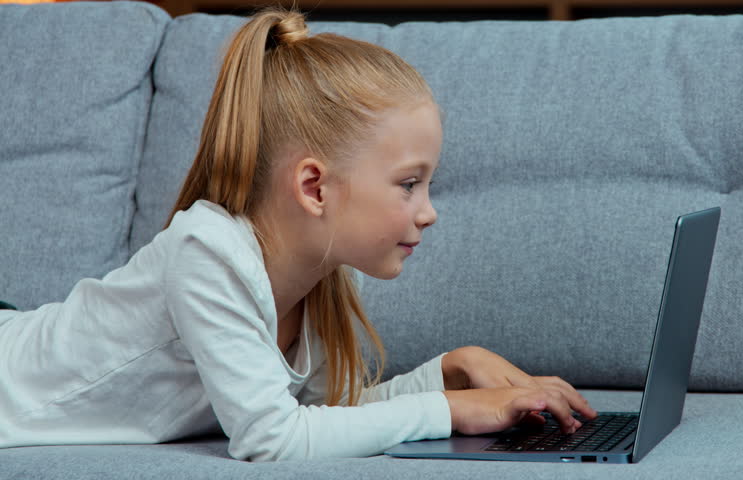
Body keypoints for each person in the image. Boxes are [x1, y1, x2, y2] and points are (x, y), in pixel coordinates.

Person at [0, 7, 595, 461]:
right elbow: (274, 438)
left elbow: (323, 416)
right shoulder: (206, 252)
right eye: (409, 184)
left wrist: (450, 372)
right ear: (315, 188)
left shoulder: (315, 272)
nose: (428, 211)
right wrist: (453, 411)